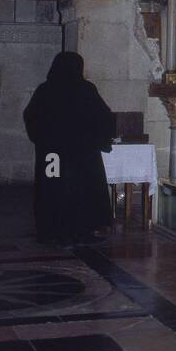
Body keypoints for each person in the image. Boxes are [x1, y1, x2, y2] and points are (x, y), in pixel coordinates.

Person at [23, 52, 114, 245]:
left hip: (52, 155)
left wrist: (44, 139)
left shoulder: (45, 90)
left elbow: (31, 117)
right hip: (82, 155)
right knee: (83, 188)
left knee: (51, 186)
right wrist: (98, 138)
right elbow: (104, 117)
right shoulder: (86, 89)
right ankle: (83, 228)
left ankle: (51, 228)